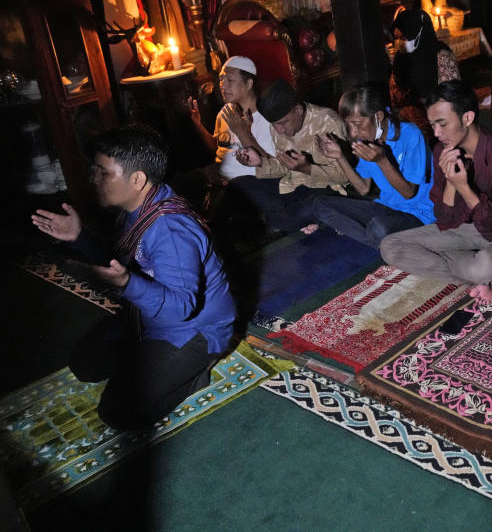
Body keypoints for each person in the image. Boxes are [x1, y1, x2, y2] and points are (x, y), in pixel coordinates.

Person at [30, 125, 235, 430]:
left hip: (194, 330)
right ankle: (149, 363)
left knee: (116, 411)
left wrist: (127, 283)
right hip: (147, 315)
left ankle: (196, 374)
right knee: (84, 364)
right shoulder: (137, 206)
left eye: (103, 173)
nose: (94, 180)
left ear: (137, 179)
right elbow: (120, 261)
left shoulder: (171, 230)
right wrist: (79, 237)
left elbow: (182, 308)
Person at [379, 80, 492, 302]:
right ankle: (485, 276)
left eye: (442, 123)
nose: (436, 132)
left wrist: (464, 187)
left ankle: (486, 273)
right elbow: (444, 220)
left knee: (486, 265)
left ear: (468, 117)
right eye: (432, 124)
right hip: (465, 229)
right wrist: (451, 184)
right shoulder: (442, 150)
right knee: (390, 247)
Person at [301, 83, 434, 248]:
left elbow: (408, 193)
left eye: (357, 124)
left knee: (379, 228)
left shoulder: (411, 134)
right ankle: (388, 244)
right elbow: (363, 188)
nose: (353, 132)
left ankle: (387, 242)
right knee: (320, 205)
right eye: (348, 125)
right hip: (386, 208)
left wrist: (382, 161)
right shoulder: (366, 140)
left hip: (418, 215)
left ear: (378, 116)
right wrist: (340, 157)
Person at [235, 79, 349, 232]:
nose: (279, 130)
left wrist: (307, 168)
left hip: (326, 188)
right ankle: (290, 215)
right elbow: (284, 166)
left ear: (298, 110)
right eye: (275, 124)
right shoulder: (277, 126)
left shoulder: (328, 122)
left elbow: (345, 176)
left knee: (299, 212)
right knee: (241, 185)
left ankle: (290, 216)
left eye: (282, 123)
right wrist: (260, 162)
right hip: (294, 185)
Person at [188, 55, 276, 181]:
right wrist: (197, 124)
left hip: (250, 187)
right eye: (221, 79)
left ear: (249, 83)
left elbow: (272, 166)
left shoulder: (268, 117)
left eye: (230, 80)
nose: (223, 86)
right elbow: (220, 147)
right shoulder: (225, 112)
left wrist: (242, 132)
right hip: (220, 180)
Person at [390, 8, 460, 135]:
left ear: (419, 33)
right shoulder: (400, 59)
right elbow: (395, 92)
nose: (400, 42)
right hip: (408, 117)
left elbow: (451, 95)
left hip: (438, 118)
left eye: (405, 37)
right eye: (397, 38)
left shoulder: (441, 54)